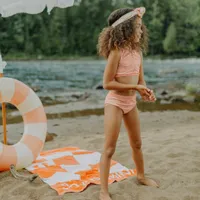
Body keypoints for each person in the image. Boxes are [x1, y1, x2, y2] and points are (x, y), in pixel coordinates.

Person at [97, 7, 159, 200]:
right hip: (115, 102)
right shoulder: (116, 52)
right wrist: (138, 88)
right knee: (109, 148)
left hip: (131, 103)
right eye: (138, 27)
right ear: (126, 29)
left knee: (137, 144)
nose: (141, 31)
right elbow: (107, 83)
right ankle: (103, 191)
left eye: (141, 28)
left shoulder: (138, 53)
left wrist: (145, 91)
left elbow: (141, 80)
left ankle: (140, 175)